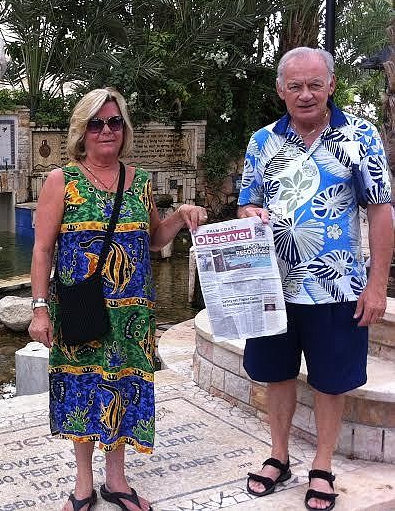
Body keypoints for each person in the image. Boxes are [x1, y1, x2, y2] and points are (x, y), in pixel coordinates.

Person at [29, 87, 207, 511]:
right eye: (96, 123)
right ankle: (84, 484)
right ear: (82, 131)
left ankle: (117, 480)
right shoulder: (62, 181)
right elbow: (41, 249)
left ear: (124, 129)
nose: (106, 130)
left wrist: (179, 218)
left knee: (124, 386)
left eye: (114, 122)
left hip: (133, 312)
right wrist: (38, 309)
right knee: (82, 384)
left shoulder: (140, 181)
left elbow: (152, 239)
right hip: (79, 307)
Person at [238, 47, 393, 511]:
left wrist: (378, 284)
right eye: (295, 86)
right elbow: (246, 203)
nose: (305, 94)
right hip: (271, 286)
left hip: (338, 287)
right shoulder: (261, 141)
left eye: (314, 85)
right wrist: (250, 212)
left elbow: (382, 210)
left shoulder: (360, 137)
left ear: (330, 86)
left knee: (330, 380)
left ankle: (322, 466)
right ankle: (279, 456)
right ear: (281, 90)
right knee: (276, 374)